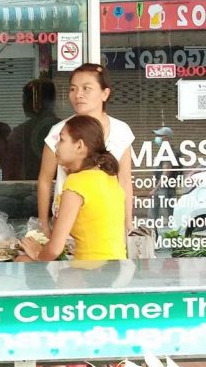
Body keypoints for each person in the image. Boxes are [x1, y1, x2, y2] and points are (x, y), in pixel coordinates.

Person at [37, 63, 134, 237]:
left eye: (86, 88)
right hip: (67, 227)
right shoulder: (58, 132)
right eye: (73, 89)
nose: (78, 95)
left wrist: (127, 224)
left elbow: (125, 182)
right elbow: (45, 180)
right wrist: (44, 225)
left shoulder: (121, 131)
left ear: (105, 94)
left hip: (107, 226)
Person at [21, 115, 126, 262]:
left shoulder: (76, 183)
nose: (56, 145)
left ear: (79, 146)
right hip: (117, 267)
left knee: (22, 261)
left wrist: (38, 254)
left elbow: (55, 249)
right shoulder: (108, 177)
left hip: (92, 269)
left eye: (62, 139)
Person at [7, 79, 61, 180]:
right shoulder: (67, 128)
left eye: (24, 99)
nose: (22, 104)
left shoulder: (20, 132)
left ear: (35, 102)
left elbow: (13, 168)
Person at [148, 126, 177, 231]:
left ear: (166, 138)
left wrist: (155, 189)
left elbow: (166, 172)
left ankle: (159, 235)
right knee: (164, 213)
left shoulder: (167, 152)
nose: (157, 138)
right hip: (163, 187)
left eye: (159, 136)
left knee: (160, 214)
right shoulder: (165, 151)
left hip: (163, 188)